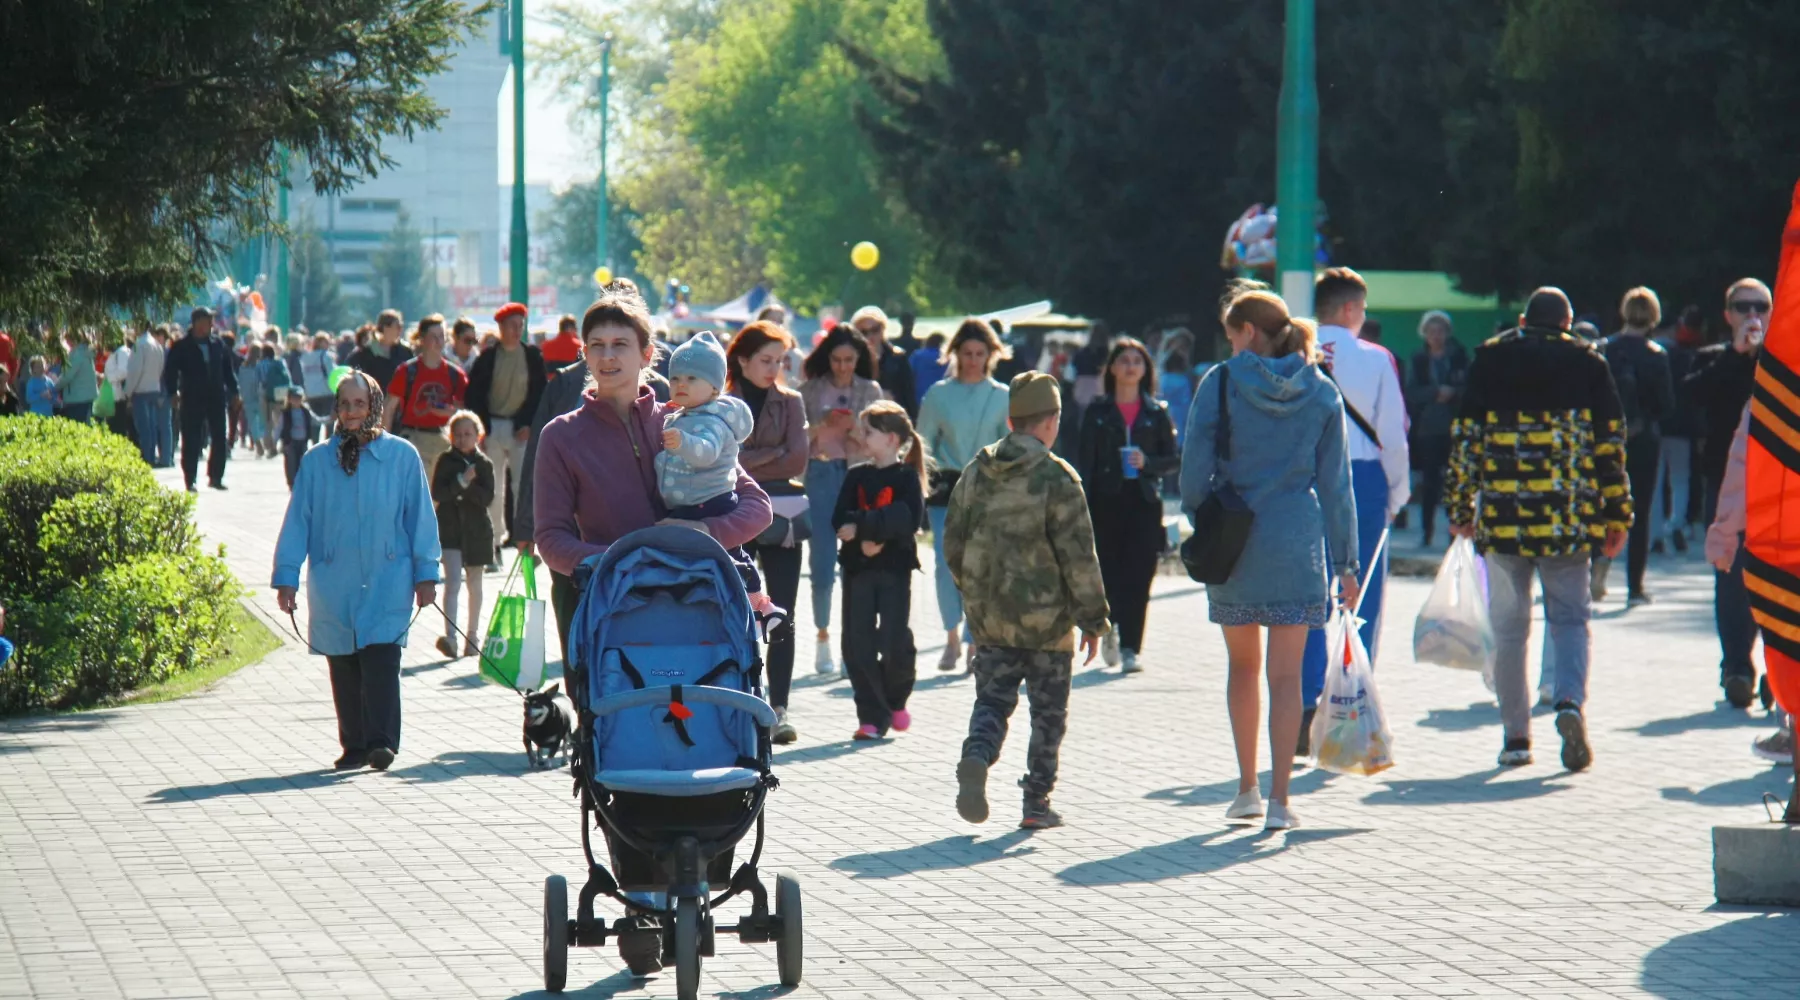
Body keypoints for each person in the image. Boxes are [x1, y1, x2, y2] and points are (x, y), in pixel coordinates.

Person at [532, 299, 773, 980]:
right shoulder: (562, 435)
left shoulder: (688, 420)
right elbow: (550, 537)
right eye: (597, 344)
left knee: (704, 725)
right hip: (607, 609)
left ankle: (700, 872)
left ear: (648, 353)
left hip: (698, 609)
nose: (608, 356)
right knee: (619, 736)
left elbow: (752, 506)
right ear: (584, 354)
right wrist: (619, 559)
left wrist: (684, 546)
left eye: (622, 344)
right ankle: (639, 897)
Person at [1179, 288, 1358, 830]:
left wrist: (1200, 514)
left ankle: (1245, 789)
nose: (1231, 345)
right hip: (1299, 544)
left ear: (1248, 332)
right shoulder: (1322, 391)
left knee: (1243, 667)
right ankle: (1282, 799)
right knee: (1287, 678)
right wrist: (1346, 562)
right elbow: (1337, 486)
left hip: (1236, 540)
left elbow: (1193, 469)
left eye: (1233, 334)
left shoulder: (1223, 381)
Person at [1446, 287, 1629, 771]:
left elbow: (1466, 438)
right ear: (1568, 323)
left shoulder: (1490, 359)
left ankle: (1516, 739)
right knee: (1570, 618)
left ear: (1524, 320)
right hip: (1566, 519)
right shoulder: (1589, 362)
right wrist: (1617, 515)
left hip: (1503, 520)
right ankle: (1568, 701)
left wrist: (1461, 505)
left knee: (1509, 630)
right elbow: (1610, 445)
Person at [946, 371, 1108, 831]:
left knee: (993, 702)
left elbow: (953, 542)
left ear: (1012, 418)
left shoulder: (977, 471)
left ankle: (977, 754)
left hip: (992, 619)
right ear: (1051, 421)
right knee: (1048, 715)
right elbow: (1079, 556)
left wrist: (974, 595)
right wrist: (1093, 619)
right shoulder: (1058, 477)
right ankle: (1036, 801)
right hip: (1049, 625)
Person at [274, 371, 439, 770]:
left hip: (388, 577)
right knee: (344, 663)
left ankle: (382, 742)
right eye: (344, 404)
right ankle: (354, 745)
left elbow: (420, 518)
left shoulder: (402, 456)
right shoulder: (316, 462)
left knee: (382, 660)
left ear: (375, 407)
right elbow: (298, 520)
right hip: (335, 581)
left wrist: (426, 573)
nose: (351, 412)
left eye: (359, 404)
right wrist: (286, 576)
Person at [1300, 267, 1409, 754]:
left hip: (1303, 480)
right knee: (1360, 598)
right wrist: (1398, 493)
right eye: (1362, 310)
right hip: (1361, 478)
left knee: (1306, 594)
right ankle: (1346, 705)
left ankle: (1303, 702)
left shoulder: (1292, 352)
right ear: (1349, 309)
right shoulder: (1377, 358)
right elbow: (1393, 434)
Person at [656, 331, 783, 623]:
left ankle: (758, 603)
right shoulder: (682, 416)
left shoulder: (710, 420)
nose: (681, 385)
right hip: (690, 503)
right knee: (715, 557)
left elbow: (707, 452)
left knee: (729, 556)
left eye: (691, 379)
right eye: (675, 379)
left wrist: (683, 444)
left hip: (710, 501)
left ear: (714, 388)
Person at [725, 321, 809, 743]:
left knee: (783, 612)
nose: (774, 368)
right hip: (735, 514)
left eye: (780, 360)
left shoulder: (791, 402)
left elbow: (797, 461)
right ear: (743, 360)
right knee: (734, 608)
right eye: (765, 360)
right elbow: (723, 460)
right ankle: (740, 700)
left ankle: (779, 708)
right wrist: (771, 454)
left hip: (784, 518)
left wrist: (751, 459)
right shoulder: (722, 402)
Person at [1688, 278, 1770, 707]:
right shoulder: (1714, 360)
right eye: (1743, 307)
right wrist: (1736, 357)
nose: (1752, 315)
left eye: (1760, 306)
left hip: (1779, 490)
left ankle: (1780, 672)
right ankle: (1737, 666)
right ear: (1728, 315)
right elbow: (1685, 401)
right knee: (1731, 577)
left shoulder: (1787, 361)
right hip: (1725, 488)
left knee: (1780, 579)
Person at [1077, 336, 1179, 675]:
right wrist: (1082, 506)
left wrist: (1146, 462)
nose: (1131, 366)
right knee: (1108, 573)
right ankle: (1110, 629)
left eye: (1137, 361)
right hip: (1107, 500)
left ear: (1145, 369)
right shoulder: (1098, 412)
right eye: (1124, 361)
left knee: (1140, 575)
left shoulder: (1156, 412)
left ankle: (1131, 647)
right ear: (1113, 369)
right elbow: (1086, 461)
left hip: (1144, 502)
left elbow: (1172, 459)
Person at [917, 319, 1012, 672]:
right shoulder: (939, 394)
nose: (973, 360)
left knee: (980, 566)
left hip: (988, 485)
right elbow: (922, 443)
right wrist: (921, 485)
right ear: (955, 354)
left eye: (979, 354)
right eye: (967, 353)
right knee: (945, 565)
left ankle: (974, 641)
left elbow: (1009, 444)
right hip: (946, 486)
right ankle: (951, 637)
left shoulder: (1001, 395)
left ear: (991, 355)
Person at [1703, 403, 1793, 763]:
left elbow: (1743, 463)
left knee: (1787, 634)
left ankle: (1792, 728)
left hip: (1783, 532)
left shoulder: (1773, 387)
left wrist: (1723, 533)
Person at [834, 400, 927, 740]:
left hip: (894, 568)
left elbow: (909, 517)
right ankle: (871, 716)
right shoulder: (857, 475)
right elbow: (839, 518)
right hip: (858, 568)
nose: (862, 437)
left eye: (869, 432)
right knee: (856, 642)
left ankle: (895, 699)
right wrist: (862, 535)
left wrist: (868, 531)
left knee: (893, 639)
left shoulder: (906, 477)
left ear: (890, 438)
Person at [797, 325, 885, 677]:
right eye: (837, 359)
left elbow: (880, 439)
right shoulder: (809, 390)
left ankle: (855, 643)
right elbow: (797, 436)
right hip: (819, 475)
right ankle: (821, 636)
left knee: (857, 562)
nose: (843, 367)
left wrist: (855, 432)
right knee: (821, 562)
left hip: (858, 476)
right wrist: (822, 422)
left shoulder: (870, 390)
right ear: (826, 358)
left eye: (850, 360)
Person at [1598, 287, 1675, 605]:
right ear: (1654, 316)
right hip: (1643, 438)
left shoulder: (1604, 349)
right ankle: (1635, 586)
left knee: (1601, 503)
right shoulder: (1656, 354)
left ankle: (1598, 565)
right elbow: (1667, 404)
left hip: (1605, 437)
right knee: (1639, 510)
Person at [467, 302, 546, 552]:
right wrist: (482, 428)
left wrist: (529, 424)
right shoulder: (488, 358)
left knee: (523, 486)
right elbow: (475, 394)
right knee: (494, 486)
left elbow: (539, 393)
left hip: (520, 428)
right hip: (493, 426)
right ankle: (494, 542)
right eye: (512, 325)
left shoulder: (532, 356)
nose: (517, 330)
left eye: (520, 325)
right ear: (500, 327)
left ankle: (525, 539)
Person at [432, 410, 495, 660]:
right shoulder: (445, 461)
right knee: (453, 583)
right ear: (450, 436)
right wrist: (461, 482)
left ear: (478, 436)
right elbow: (439, 492)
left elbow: (486, 498)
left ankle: (473, 636)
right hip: (450, 531)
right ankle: (451, 637)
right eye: (457, 434)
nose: (462, 438)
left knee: (475, 585)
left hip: (477, 532)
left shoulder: (485, 464)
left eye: (468, 434)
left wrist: (464, 489)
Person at [1406, 310, 1470, 548]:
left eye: (1440, 331)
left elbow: (1469, 386)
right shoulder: (1418, 359)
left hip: (1454, 426)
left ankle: (1456, 530)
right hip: (1428, 428)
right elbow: (1411, 392)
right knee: (1430, 482)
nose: (1436, 336)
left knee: (1455, 482)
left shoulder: (1459, 357)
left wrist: (1453, 393)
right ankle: (1427, 531)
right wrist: (1435, 393)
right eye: (1431, 331)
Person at [163, 307, 238, 492]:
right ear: (196, 323)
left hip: (216, 397)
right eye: (206, 322)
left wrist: (235, 392)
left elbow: (228, 371)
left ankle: (216, 477)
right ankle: (191, 479)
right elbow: (170, 371)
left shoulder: (218, 345)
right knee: (192, 439)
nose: (209, 326)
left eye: (211, 322)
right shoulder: (182, 346)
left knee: (219, 437)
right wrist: (173, 392)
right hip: (192, 397)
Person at [386, 314, 468, 477]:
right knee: (418, 494)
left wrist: (449, 412)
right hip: (413, 439)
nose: (439, 342)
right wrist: (386, 442)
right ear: (422, 340)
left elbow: (463, 413)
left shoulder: (455, 374)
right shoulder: (407, 371)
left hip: (444, 440)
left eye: (442, 337)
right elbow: (388, 408)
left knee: (439, 497)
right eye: (434, 337)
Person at [1653, 305, 1706, 554]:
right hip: (1682, 426)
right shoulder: (1688, 356)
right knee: (1680, 478)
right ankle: (1677, 523)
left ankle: (1653, 533)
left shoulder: (1657, 353)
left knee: (1656, 479)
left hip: (1657, 423)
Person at [852, 305, 917, 419]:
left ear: (883, 328)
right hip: (861, 420)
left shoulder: (897, 357)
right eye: (864, 332)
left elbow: (908, 395)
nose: (870, 336)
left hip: (892, 418)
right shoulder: (851, 360)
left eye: (875, 330)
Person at [124, 323, 171, 467]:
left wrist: (128, 391)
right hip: (154, 389)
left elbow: (135, 371)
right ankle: (152, 456)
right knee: (152, 426)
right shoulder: (156, 345)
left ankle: (147, 458)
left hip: (141, 391)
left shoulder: (140, 345)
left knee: (143, 428)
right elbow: (160, 367)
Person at [348, 309, 414, 390]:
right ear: (385, 328)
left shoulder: (405, 352)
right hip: (374, 399)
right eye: (398, 326)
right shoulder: (365, 353)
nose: (401, 330)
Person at [274, 387, 318, 489]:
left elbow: (315, 420)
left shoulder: (306, 411)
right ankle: (291, 483)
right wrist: (275, 440)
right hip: (290, 442)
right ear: (289, 399)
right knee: (291, 464)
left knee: (303, 463)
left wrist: (328, 419)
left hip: (303, 441)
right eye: (294, 398)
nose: (296, 400)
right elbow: (279, 427)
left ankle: (302, 483)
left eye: (298, 398)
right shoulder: (285, 413)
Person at [56, 330, 98, 423]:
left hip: (77, 397)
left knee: (79, 426)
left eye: (67, 340)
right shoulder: (85, 352)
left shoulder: (77, 354)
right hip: (86, 396)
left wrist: (54, 387)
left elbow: (67, 376)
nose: (67, 343)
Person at [300, 331, 338, 430]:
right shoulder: (326, 356)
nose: (328, 344)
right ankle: (328, 444)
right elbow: (332, 375)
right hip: (326, 393)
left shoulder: (305, 357)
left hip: (311, 394)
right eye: (326, 341)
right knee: (329, 423)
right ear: (321, 342)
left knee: (314, 424)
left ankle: (314, 443)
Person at [104, 331, 135, 440]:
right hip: (114, 396)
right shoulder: (119, 352)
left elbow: (123, 371)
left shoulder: (121, 352)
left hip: (118, 396)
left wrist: (108, 378)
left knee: (117, 428)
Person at [909, 331, 949, 410]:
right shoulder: (947, 358)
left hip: (920, 396)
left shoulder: (918, 355)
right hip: (942, 398)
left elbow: (908, 373)